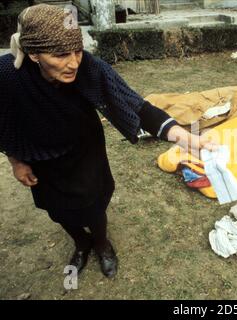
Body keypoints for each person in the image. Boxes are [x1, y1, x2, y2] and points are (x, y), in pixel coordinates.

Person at [0, 4, 216, 278]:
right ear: (33, 54)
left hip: (84, 149)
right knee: (57, 209)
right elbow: (3, 123)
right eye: (60, 55)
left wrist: (186, 139)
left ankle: (102, 243)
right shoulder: (7, 76)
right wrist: (16, 161)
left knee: (93, 203)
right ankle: (81, 243)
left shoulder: (88, 68)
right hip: (41, 157)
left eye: (77, 51)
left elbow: (137, 106)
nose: (73, 63)